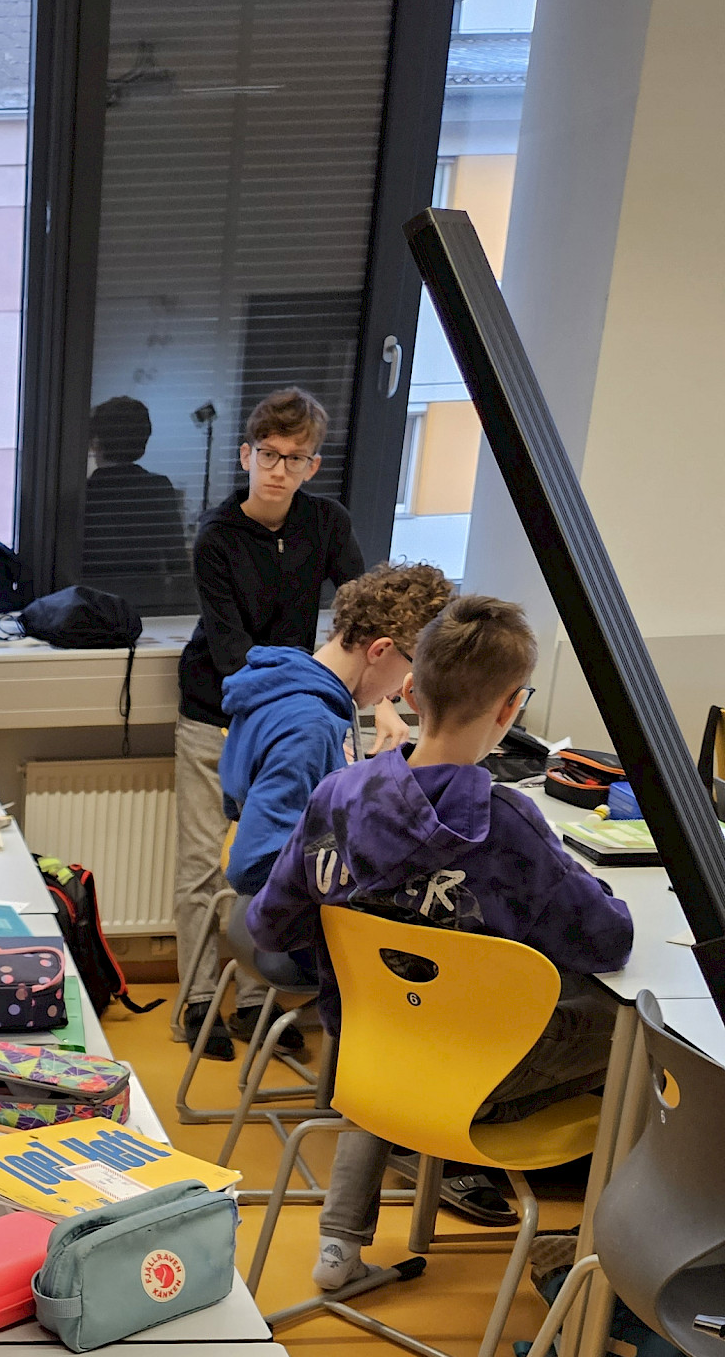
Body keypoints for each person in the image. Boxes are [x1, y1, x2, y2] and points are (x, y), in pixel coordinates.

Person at [246, 593, 634, 1296]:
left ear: (409, 690)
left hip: (371, 1059)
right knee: (636, 1030)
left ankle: (338, 1243)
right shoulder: (509, 824)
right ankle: (610, 1259)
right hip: (479, 1079)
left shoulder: (337, 796)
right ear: (511, 708)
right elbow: (607, 940)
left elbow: (271, 925)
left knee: (396, 1009)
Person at [173, 385, 363, 1057]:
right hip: (217, 708)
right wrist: (302, 706)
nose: (279, 470)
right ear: (246, 456)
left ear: (312, 466)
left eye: (295, 458)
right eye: (269, 455)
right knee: (203, 861)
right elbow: (233, 653)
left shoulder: (326, 523)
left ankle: (256, 1003)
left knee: (278, 858)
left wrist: (376, 699)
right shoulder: (217, 537)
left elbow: (361, 610)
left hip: (291, 713)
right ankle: (199, 1002)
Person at [216, 561, 453, 1043]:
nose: (401, 692)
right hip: (292, 927)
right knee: (454, 946)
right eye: (411, 670)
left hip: (270, 911)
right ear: (380, 650)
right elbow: (252, 863)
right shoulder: (310, 724)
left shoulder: (288, 686)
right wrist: (363, 862)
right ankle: (381, 1077)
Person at [76, 395, 190, 614]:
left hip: (92, 607)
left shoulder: (84, 492)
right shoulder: (159, 487)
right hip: (148, 606)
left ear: (95, 442)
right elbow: (176, 558)